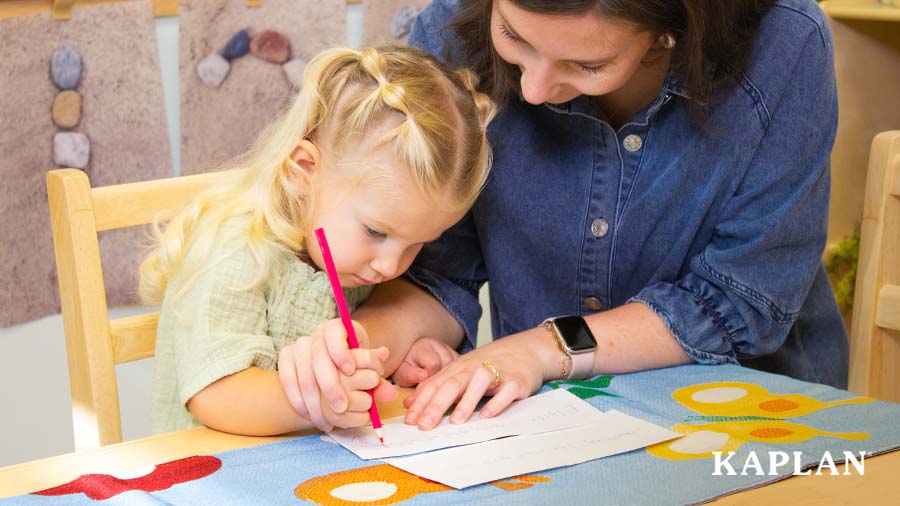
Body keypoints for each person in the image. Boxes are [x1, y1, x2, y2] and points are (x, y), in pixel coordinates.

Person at [335, 0, 845, 431]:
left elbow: (738, 303)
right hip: (539, 422)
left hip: (750, 415)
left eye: (586, 65)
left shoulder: (784, 44)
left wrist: (544, 349)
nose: (532, 89)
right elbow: (440, 272)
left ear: (669, 28)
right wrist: (356, 349)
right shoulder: (452, 28)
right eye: (513, 36)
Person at [140, 45, 495, 435]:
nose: (391, 266)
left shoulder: (355, 260)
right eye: (376, 232)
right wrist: (322, 402)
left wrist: (394, 368)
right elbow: (218, 394)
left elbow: (356, 358)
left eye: (418, 244)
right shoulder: (237, 247)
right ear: (303, 169)